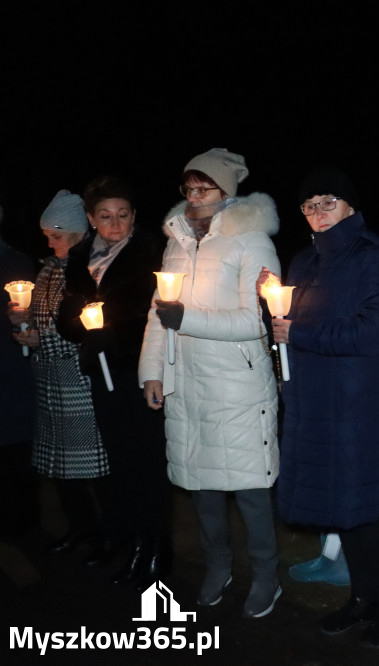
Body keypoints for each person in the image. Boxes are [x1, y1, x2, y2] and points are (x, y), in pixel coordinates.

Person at [262, 165, 379, 647]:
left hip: (360, 402)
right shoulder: (305, 261)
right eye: (309, 206)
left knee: (364, 509)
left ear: (350, 206)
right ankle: (362, 598)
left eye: (328, 203)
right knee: (341, 509)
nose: (318, 214)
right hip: (316, 398)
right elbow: (291, 323)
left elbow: (378, 330)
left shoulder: (376, 257)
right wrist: (272, 302)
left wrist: (299, 333)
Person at [138, 148, 282, 618]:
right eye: (189, 188)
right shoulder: (176, 242)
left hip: (237, 384)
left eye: (205, 188)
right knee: (202, 487)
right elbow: (158, 316)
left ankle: (266, 576)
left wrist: (187, 317)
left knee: (249, 489)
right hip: (188, 381)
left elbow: (254, 321)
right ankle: (217, 566)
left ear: (226, 192)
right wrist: (152, 371)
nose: (195, 197)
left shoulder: (252, 240)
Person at [55, 175, 170, 589]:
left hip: (139, 369)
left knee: (146, 462)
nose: (115, 223)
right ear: (91, 218)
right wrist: (82, 325)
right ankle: (131, 541)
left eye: (123, 215)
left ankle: (156, 548)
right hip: (100, 369)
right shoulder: (81, 254)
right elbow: (70, 314)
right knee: (119, 460)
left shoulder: (149, 252)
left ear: (135, 216)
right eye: (105, 216)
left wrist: (112, 328)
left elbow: (158, 312)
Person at [9, 190, 108, 553]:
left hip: (78, 382)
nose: (50, 243)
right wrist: (20, 322)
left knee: (91, 469)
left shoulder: (89, 270)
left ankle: (105, 534)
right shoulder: (48, 270)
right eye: (47, 235)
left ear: (78, 233)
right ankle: (79, 528)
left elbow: (91, 328)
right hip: (49, 381)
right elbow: (39, 319)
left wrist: (44, 340)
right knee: (61, 469)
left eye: (57, 235)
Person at [0, 202, 40, 537]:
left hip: (11, 369)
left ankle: (24, 526)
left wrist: (20, 322)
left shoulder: (14, 262)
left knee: (15, 450)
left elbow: (25, 317)